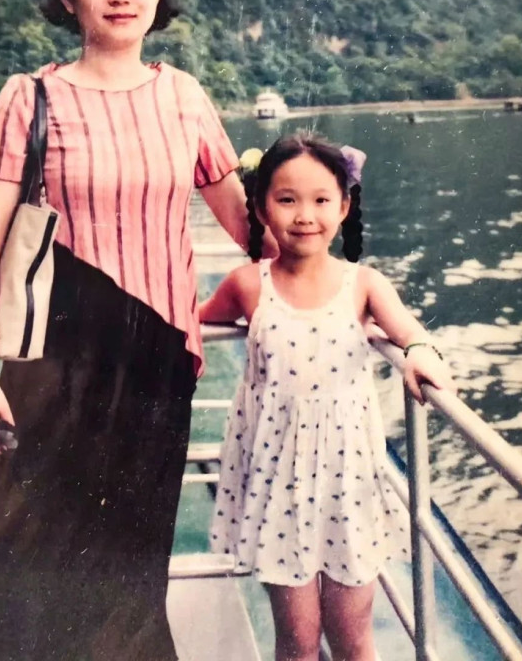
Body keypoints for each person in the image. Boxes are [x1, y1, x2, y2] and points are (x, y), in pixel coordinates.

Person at [0, 0, 255, 661]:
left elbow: (252, 228)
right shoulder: (30, 97)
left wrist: (334, 223)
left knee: (128, 577)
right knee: (30, 566)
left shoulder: (183, 96)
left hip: (156, 368)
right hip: (53, 365)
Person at [200, 134, 456, 661]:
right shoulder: (247, 285)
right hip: (278, 487)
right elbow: (192, 322)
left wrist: (419, 351)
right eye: (287, 199)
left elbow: (409, 331)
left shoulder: (363, 284)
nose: (304, 215)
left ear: (343, 207)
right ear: (261, 207)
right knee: (297, 639)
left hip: (348, 485)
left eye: (320, 200)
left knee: (352, 637)